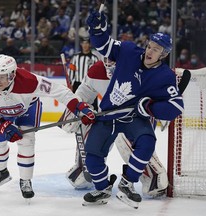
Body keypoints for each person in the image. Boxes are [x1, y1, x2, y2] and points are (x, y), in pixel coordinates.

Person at [81, 10, 184, 208]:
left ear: (164, 55)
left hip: (134, 117)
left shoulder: (165, 76)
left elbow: (176, 106)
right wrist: (96, 30)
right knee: (92, 154)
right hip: (108, 115)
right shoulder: (128, 51)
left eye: (156, 50)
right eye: (150, 46)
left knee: (147, 142)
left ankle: (127, 183)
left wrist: (148, 106)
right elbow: (103, 45)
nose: (150, 51)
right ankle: (102, 189)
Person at [0, 54, 95, 200]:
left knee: (27, 142)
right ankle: (1, 173)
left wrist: (79, 107)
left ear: (12, 74)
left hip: (28, 109)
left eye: (2, 76)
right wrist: (3, 125)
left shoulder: (29, 81)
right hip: (1, 114)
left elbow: (60, 91)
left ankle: (25, 180)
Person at [63, 58, 169, 197]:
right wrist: (73, 113)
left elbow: (156, 93)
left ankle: (153, 175)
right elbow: (83, 94)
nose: (109, 62)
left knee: (126, 141)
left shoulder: (137, 67)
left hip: (135, 117)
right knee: (86, 125)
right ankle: (84, 169)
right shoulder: (97, 70)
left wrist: (162, 110)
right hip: (109, 119)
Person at [67, 37, 99, 109]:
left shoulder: (95, 58)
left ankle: (94, 119)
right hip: (77, 84)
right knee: (76, 105)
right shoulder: (75, 57)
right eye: (83, 43)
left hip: (90, 86)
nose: (85, 45)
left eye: (86, 43)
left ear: (90, 45)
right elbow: (71, 71)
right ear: (81, 44)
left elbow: (97, 74)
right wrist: (70, 84)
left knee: (93, 106)